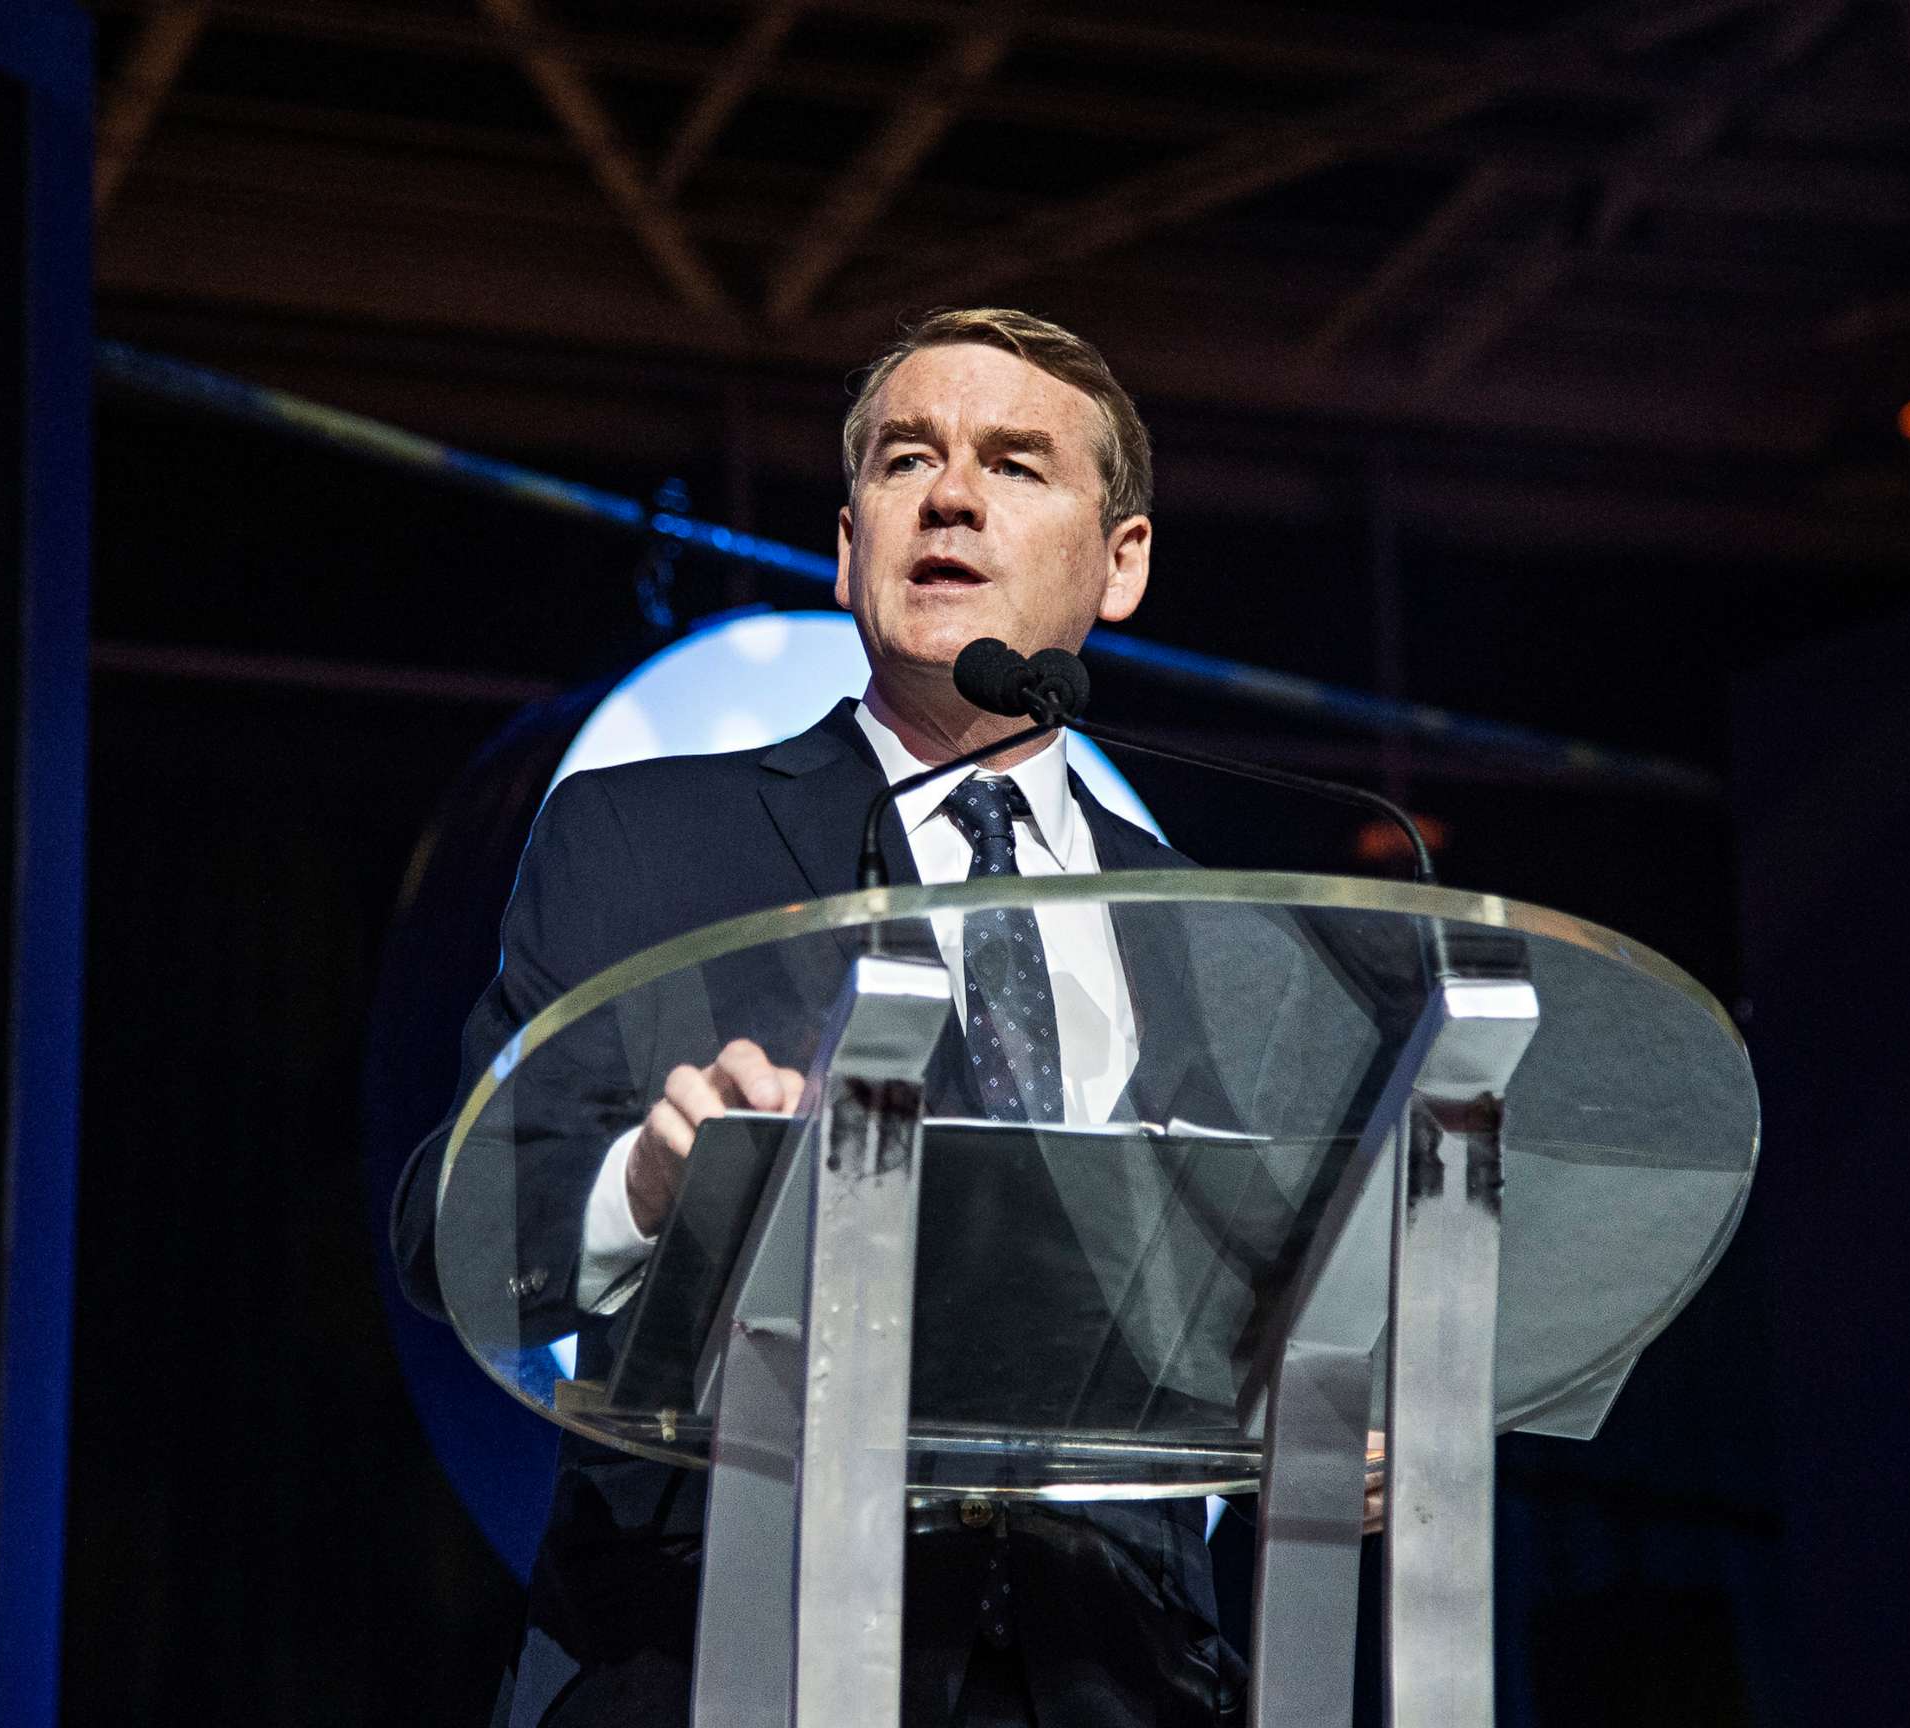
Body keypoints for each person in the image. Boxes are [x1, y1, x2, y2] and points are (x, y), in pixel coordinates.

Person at [395, 308, 1273, 1727]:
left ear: (1124, 565)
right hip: (717, 1652)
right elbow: (460, 1235)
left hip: (1116, 1677)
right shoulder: (647, 840)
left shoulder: (1228, 938)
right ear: (852, 536)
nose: (951, 495)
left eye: (1017, 463)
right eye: (905, 458)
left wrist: (1332, 1420)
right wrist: (652, 1180)